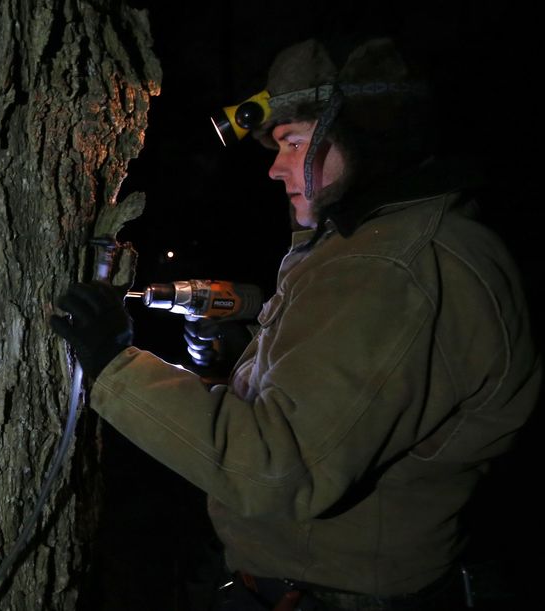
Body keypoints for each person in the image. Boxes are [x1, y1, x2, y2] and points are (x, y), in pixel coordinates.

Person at [50, 37, 541, 610]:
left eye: (293, 142)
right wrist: (232, 369)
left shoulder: (386, 269)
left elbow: (277, 471)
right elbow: (331, 416)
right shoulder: (390, 240)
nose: (276, 168)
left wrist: (115, 365)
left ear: (363, 139)